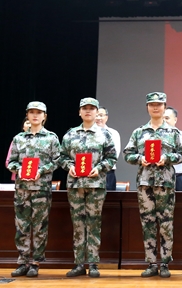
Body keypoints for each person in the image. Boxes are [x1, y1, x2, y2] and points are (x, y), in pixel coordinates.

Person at [124, 92, 182, 279]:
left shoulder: (173, 132)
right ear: (147, 107)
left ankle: (165, 263)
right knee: (148, 223)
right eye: (152, 104)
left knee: (166, 223)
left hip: (165, 183)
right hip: (145, 183)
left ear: (164, 107)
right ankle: (151, 263)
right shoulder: (139, 132)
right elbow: (127, 154)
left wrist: (167, 158)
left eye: (159, 104)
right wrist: (140, 159)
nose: (155, 107)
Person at [58, 97, 117, 278]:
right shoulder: (70, 134)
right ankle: (78, 264)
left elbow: (112, 158)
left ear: (97, 112)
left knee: (94, 223)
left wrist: (98, 168)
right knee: (77, 224)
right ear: (79, 112)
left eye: (92, 108)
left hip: (95, 184)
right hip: (75, 184)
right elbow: (61, 157)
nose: (88, 111)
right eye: (85, 108)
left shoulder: (105, 134)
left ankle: (93, 263)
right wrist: (69, 166)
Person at [7, 102, 60, 278]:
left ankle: (36, 262)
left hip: (41, 189)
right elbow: (11, 162)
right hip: (22, 189)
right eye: (32, 112)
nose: (35, 115)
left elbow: (57, 160)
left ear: (45, 116)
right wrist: (20, 169)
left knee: (39, 227)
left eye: (39, 113)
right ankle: (22, 261)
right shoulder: (19, 138)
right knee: (21, 226)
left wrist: (41, 170)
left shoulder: (51, 138)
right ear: (27, 115)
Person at [164, 106, 182, 191]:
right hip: (158, 179)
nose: (164, 121)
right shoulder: (154, 136)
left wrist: (165, 158)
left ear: (175, 120)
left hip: (177, 178)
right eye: (162, 118)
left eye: (167, 118)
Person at [95, 106, 121, 191]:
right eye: (96, 115)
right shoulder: (86, 133)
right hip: (88, 173)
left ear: (106, 117)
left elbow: (115, 154)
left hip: (107, 173)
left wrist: (99, 167)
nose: (98, 118)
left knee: (108, 199)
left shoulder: (113, 133)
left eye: (101, 115)